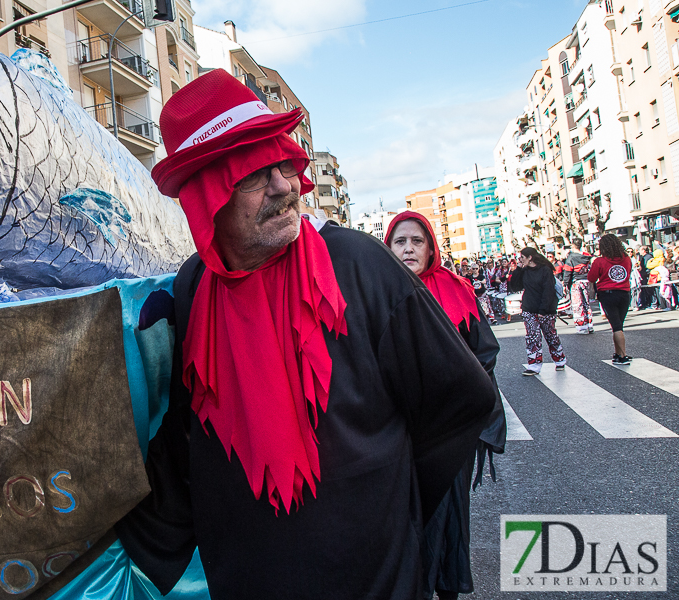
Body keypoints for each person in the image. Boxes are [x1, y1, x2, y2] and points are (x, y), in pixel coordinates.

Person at [113, 70, 495, 600]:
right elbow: (186, 435)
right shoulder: (192, 286)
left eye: (283, 164)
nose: (284, 186)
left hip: (373, 581)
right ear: (207, 197)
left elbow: (462, 400)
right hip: (247, 580)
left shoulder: (361, 265)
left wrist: (393, 508)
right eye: (254, 173)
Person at [384, 211, 505, 600]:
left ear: (431, 247)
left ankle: (448, 587)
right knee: (402, 518)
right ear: (387, 248)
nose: (408, 249)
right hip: (398, 433)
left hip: (450, 432)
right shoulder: (376, 291)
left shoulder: (456, 290)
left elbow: (484, 354)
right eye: (399, 241)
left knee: (449, 515)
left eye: (417, 241)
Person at [509, 248, 566, 376]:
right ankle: (534, 365)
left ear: (530, 257)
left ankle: (559, 359)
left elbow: (548, 291)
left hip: (545, 310)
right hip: (529, 308)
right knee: (532, 336)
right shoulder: (524, 271)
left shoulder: (545, 270)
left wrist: (543, 310)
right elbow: (515, 286)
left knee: (550, 335)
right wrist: (518, 269)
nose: (520, 259)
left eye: (522, 257)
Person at [589, 234, 633, 365]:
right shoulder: (627, 259)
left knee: (616, 326)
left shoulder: (600, 261)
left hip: (607, 294)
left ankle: (623, 355)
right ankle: (618, 353)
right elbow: (628, 273)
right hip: (624, 292)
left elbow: (592, 278)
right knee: (619, 324)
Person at [563, 240, 594, 333]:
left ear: (573, 245)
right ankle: (590, 325)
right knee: (586, 304)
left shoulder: (571, 257)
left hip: (576, 282)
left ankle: (582, 327)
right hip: (586, 281)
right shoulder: (587, 256)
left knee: (578, 305)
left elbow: (567, 271)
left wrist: (565, 284)